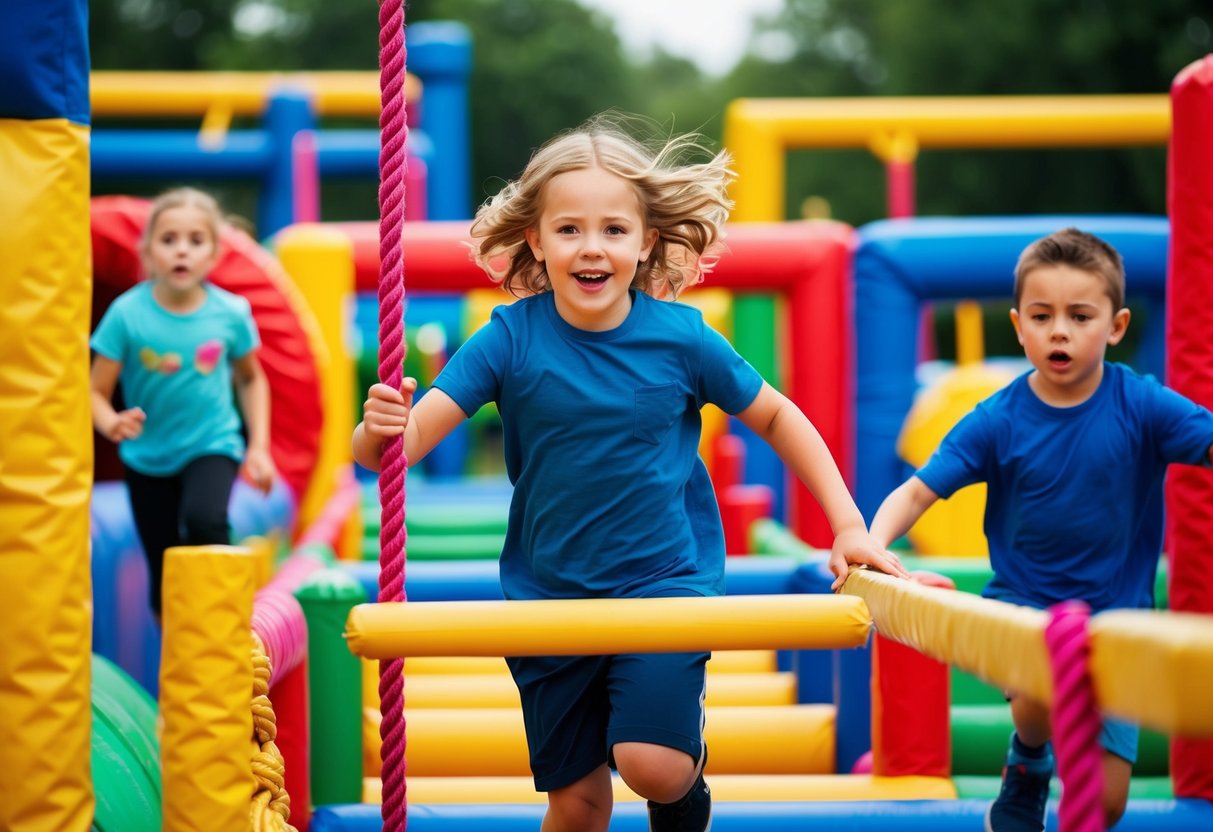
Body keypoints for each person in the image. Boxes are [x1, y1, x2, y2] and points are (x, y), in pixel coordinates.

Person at [353, 115, 908, 832]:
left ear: (646, 241)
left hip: (662, 583)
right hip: (548, 596)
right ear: (535, 239)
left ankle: (686, 781)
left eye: (614, 230)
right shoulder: (506, 340)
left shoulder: (680, 338)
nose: (592, 248)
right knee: (578, 805)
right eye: (569, 230)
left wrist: (847, 526)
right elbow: (395, 454)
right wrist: (379, 429)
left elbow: (777, 417)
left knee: (654, 765)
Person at [868, 227, 1213, 832]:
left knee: (1105, 804)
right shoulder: (997, 419)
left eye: (1080, 316)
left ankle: (1041, 767)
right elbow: (920, 489)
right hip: (1025, 611)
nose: (1060, 330)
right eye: (1042, 315)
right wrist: (873, 545)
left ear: (1117, 326)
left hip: (1118, 621)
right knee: (1038, 696)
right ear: (1019, 326)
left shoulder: (1144, 406)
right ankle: (1028, 760)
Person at [90, 187, 275, 624]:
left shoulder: (230, 313)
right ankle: (181, 646)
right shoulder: (126, 314)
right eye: (169, 239)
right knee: (165, 563)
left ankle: (228, 620)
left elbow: (251, 378)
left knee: (206, 520)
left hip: (212, 444)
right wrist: (110, 422)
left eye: (196, 241)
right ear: (148, 250)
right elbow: (95, 389)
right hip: (146, 458)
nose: (182, 251)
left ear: (214, 254)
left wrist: (260, 447)